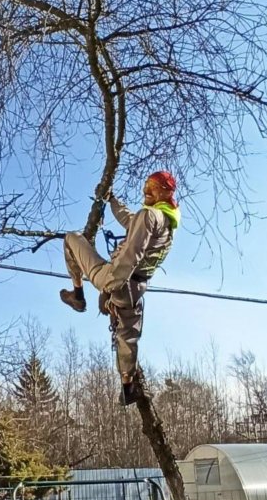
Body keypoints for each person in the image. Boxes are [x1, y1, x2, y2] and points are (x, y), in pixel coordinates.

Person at [60, 171, 181, 405]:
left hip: (117, 280)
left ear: (166, 192)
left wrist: (108, 289)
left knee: (71, 238)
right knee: (128, 336)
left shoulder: (150, 216)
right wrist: (112, 200)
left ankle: (77, 294)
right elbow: (131, 220)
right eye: (146, 185)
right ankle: (128, 389)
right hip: (137, 289)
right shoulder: (167, 222)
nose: (146, 190)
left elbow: (131, 254)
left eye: (153, 187)